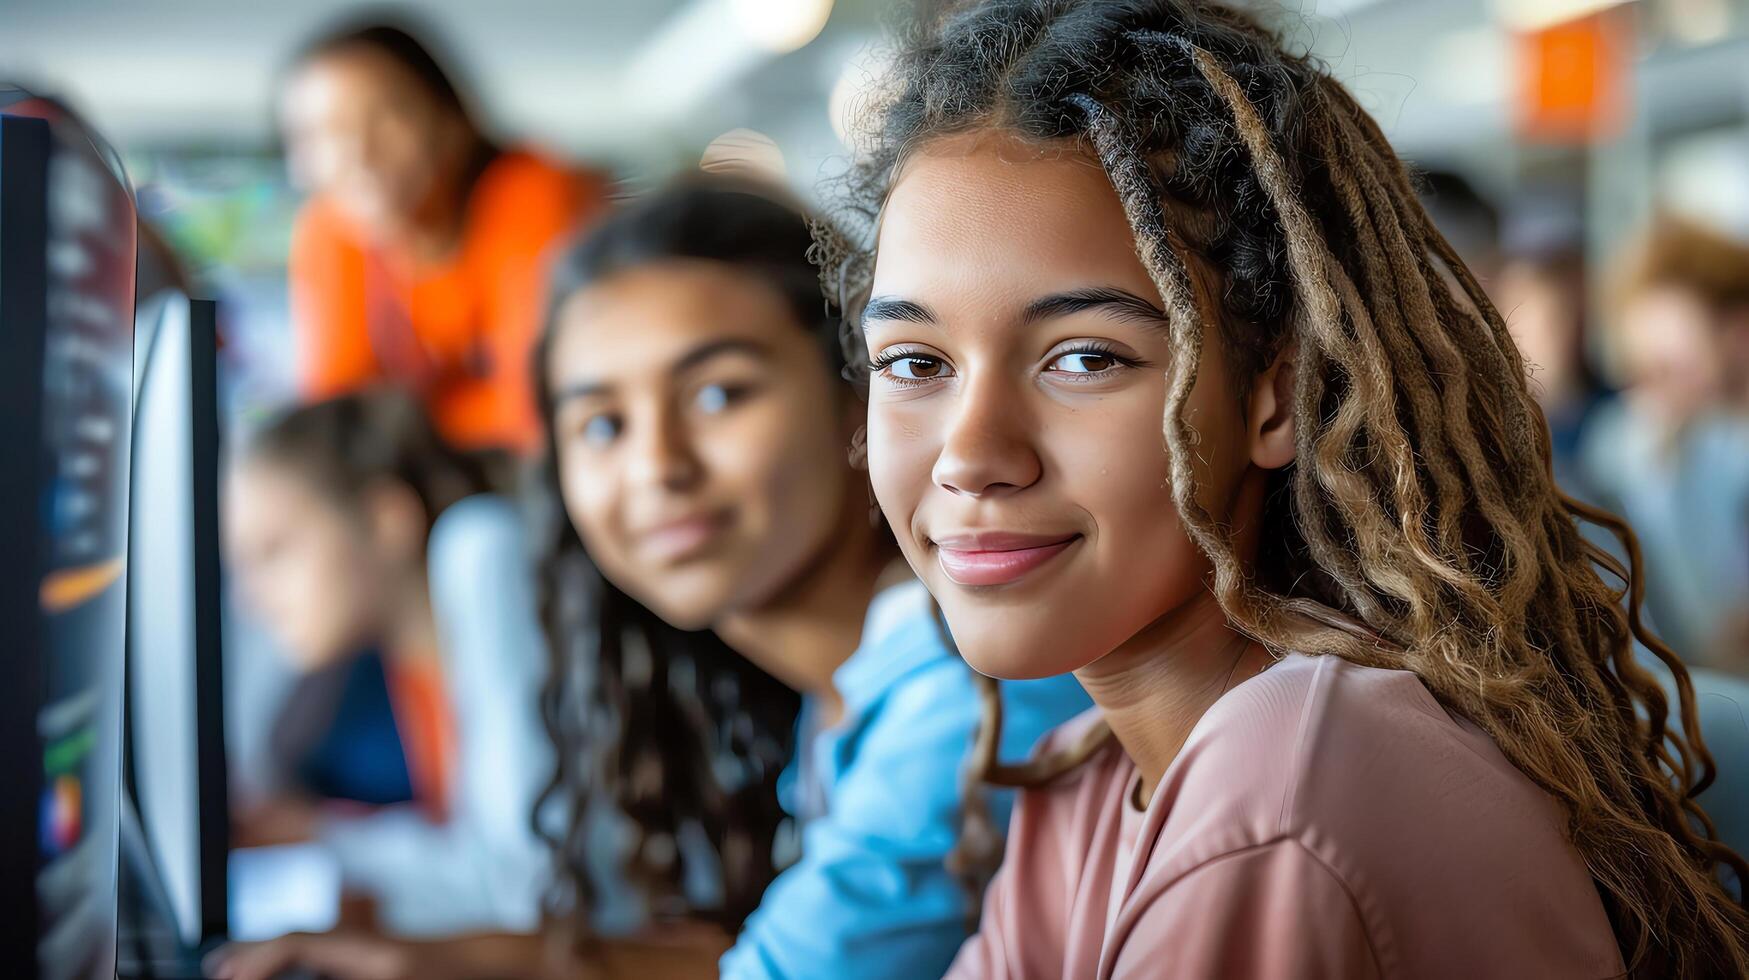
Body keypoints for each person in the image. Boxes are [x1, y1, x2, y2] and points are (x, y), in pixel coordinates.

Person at [815, 0, 1749, 975]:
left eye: (1085, 358)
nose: (970, 455)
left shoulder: (1283, 801)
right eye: (914, 362)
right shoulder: (1097, 785)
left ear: (1274, 394)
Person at [209, 179, 1091, 980]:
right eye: (602, 426)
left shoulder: (967, 693)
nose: (655, 468)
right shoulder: (837, 701)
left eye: (718, 395)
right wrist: (431, 962)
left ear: (856, 397)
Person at [224, 389, 552, 935]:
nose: (248, 600)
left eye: (275, 551)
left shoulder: (478, 548)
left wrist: (321, 838)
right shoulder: (415, 662)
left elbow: (524, 885)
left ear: (386, 521)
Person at [280, 18, 608, 453]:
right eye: (321, 135)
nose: (356, 155)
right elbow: (336, 422)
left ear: (453, 121)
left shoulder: (533, 193)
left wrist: (403, 429)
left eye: (384, 118)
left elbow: (536, 406)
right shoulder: (330, 228)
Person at [1578, 215, 1749, 666]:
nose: (1653, 395)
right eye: (1644, 372)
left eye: (1671, 367)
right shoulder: (1660, 448)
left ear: (1739, 330)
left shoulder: (1721, 452)